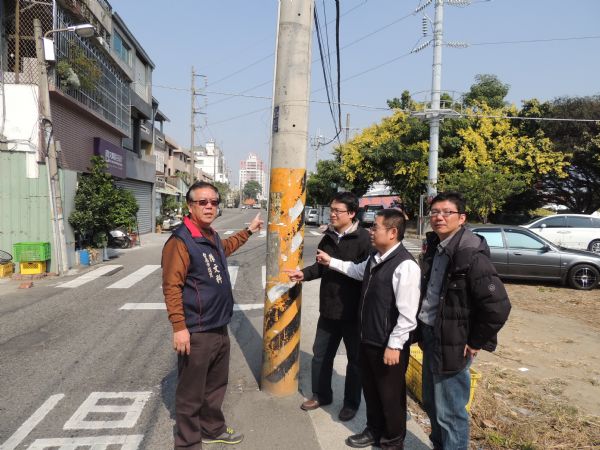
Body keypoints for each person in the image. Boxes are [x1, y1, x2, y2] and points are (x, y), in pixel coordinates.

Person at [162, 181, 263, 449]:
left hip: (219, 325)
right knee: (191, 391)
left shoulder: (209, 235)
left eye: (214, 202)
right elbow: (172, 286)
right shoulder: (180, 241)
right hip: (197, 330)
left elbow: (225, 248)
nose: (209, 207)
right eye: (202, 202)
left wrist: (248, 231)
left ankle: (212, 428)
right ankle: (187, 443)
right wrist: (179, 327)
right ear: (190, 206)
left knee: (216, 385)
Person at [314, 209, 421, 450]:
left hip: (388, 345)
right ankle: (373, 430)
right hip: (368, 339)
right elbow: (356, 270)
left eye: (376, 227)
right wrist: (331, 261)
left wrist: (395, 345)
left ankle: (392, 442)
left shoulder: (405, 266)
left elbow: (408, 315)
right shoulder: (376, 257)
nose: (371, 231)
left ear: (392, 233)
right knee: (372, 392)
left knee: (391, 398)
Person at [417, 192, 511, 450]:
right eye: (435, 212)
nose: (439, 217)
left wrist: (476, 341)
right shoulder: (436, 246)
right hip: (431, 334)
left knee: (450, 412)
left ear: (461, 218)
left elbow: (498, 307)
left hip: (454, 341)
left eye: (447, 212)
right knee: (431, 403)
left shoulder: (471, 255)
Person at [286, 192, 371, 421]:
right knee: (321, 356)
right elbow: (321, 266)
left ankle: (351, 403)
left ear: (351, 213)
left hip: (353, 313)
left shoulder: (364, 239)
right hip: (329, 309)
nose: (332, 214)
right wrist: (303, 274)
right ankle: (321, 395)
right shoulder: (329, 237)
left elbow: (364, 273)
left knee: (355, 361)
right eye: (331, 209)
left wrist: (332, 263)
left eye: (337, 211)